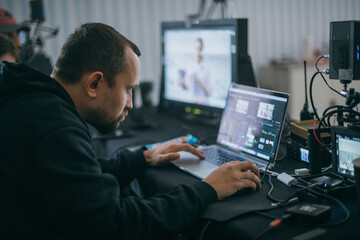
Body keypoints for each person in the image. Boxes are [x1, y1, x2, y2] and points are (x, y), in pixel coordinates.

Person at [0, 23, 261, 239]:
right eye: (128, 89)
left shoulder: (34, 101)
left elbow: (75, 177)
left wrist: (141, 157)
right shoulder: (56, 128)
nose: (131, 104)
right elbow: (117, 225)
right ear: (94, 83)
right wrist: (207, 189)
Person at [185, 37, 212, 104]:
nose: (198, 52)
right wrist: (189, 79)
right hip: (191, 101)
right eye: (197, 49)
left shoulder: (206, 67)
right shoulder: (189, 65)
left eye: (200, 49)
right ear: (194, 49)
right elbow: (186, 84)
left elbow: (209, 91)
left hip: (203, 103)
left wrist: (200, 81)